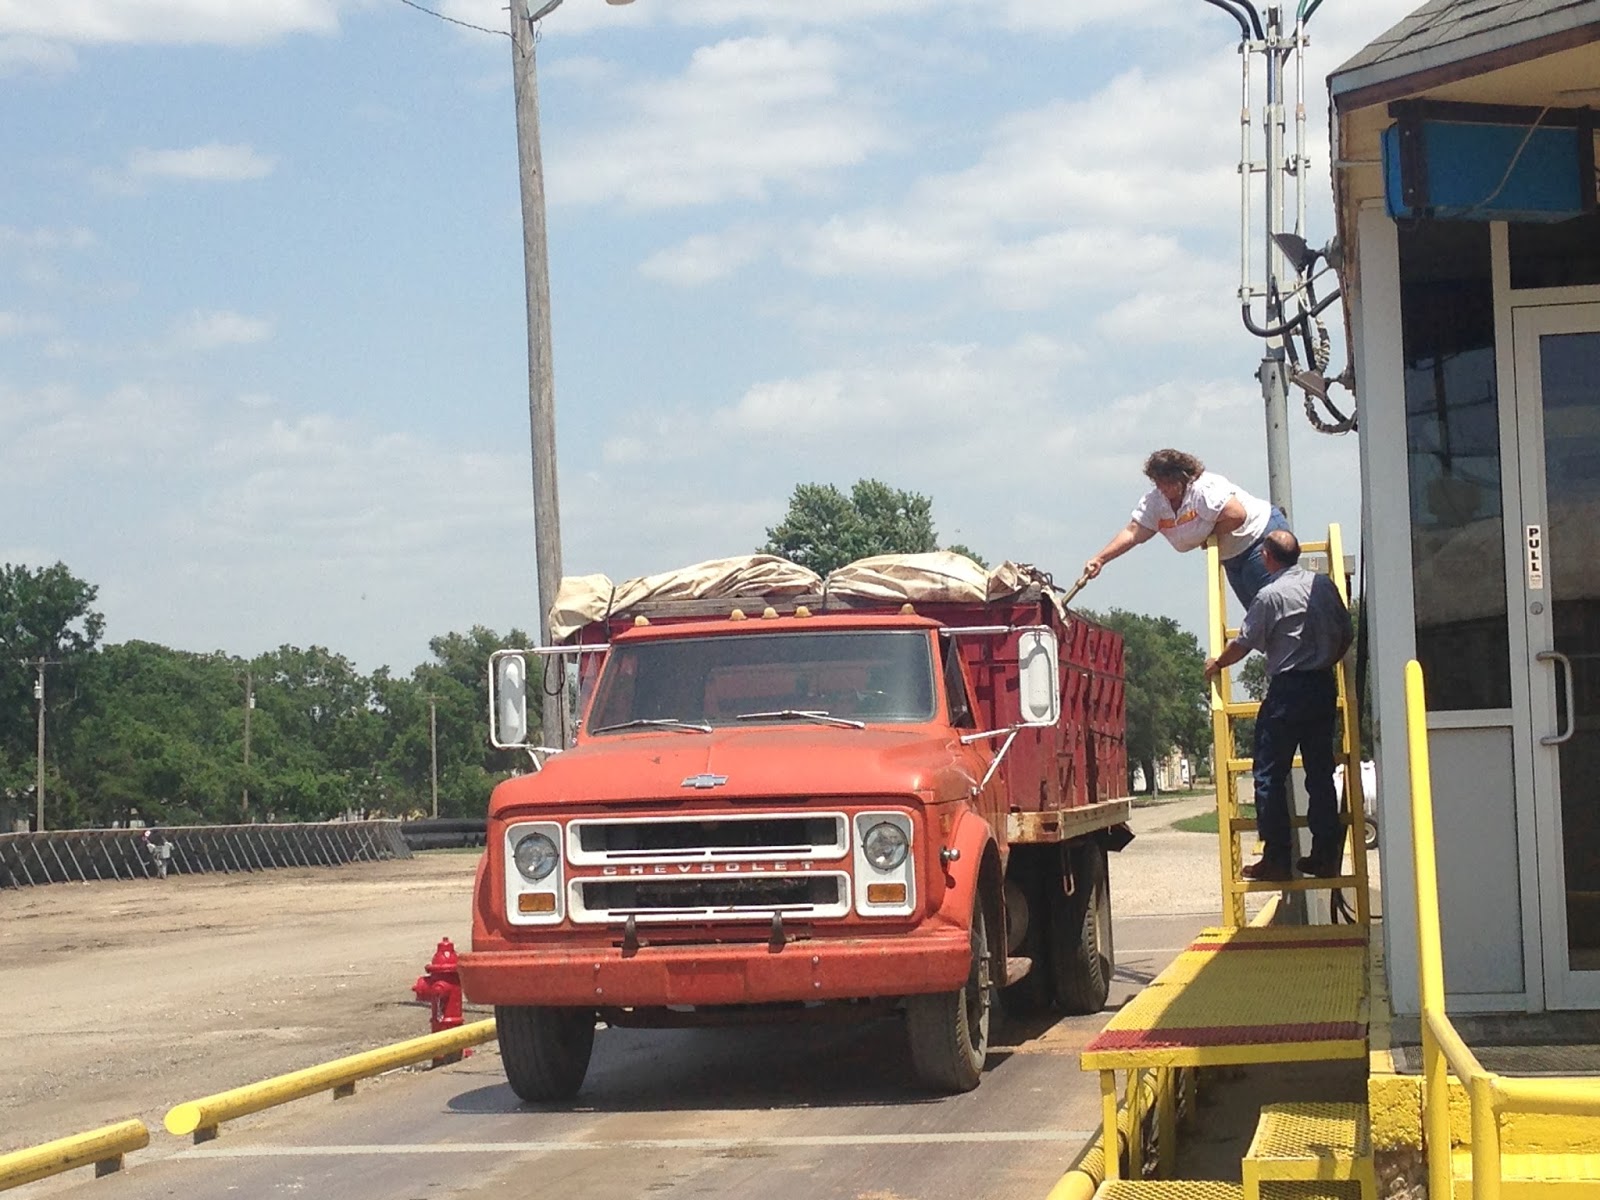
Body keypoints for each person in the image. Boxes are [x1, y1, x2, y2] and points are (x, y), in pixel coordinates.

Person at [1203, 529, 1352, 881]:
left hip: (1288, 690)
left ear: (1267, 557)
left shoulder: (1269, 595)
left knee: (1269, 774)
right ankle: (1325, 856)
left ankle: (1277, 858)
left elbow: (1244, 642)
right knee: (1320, 774)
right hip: (1322, 686)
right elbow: (1346, 630)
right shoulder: (1324, 586)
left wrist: (1218, 663)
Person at [1084, 449, 1290, 608]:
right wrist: (1101, 559)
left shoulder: (1204, 488)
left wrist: (1205, 536)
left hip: (1260, 537)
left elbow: (1236, 515)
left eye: (1168, 482)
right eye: (1158, 483)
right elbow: (1133, 532)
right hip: (1232, 553)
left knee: (1275, 609)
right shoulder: (1155, 502)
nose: (1164, 489)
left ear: (1182, 476)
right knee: (1260, 615)